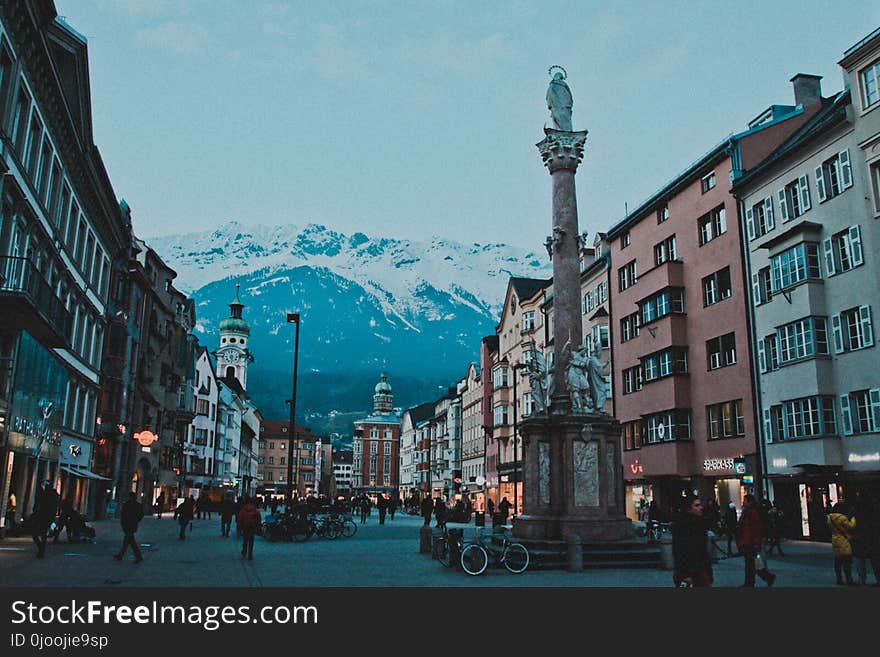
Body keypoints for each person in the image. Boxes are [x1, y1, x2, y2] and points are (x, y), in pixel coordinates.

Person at [672, 497, 713, 587]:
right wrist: (684, 573)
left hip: (700, 568)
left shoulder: (700, 523)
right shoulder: (682, 526)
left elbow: (702, 550)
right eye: (697, 505)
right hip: (689, 570)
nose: (701, 508)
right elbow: (678, 550)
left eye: (700, 505)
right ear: (689, 509)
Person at [736, 494, 776, 587]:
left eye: (745, 500)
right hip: (748, 541)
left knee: (751, 564)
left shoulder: (752, 512)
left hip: (750, 542)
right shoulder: (747, 511)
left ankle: (754, 581)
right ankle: (762, 578)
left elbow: (756, 528)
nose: (743, 502)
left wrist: (756, 543)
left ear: (749, 502)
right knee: (752, 564)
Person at [851, 494, 880, 586]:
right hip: (872, 538)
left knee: (862, 560)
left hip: (864, 538)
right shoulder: (873, 512)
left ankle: (862, 579)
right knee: (875, 560)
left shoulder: (858, 513)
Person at [827, 501, 856, 586]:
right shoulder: (842, 518)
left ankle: (839, 579)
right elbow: (851, 526)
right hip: (844, 540)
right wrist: (853, 518)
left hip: (835, 540)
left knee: (837, 562)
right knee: (847, 561)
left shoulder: (830, 518)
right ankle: (849, 579)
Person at [114, 492, 144, 563]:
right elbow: (140, 515)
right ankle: (121, 555)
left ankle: (138, 556)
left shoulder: (128, 505)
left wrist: (135, 520)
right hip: (130, 524)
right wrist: (136, 520)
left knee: (130, 541)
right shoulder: (135, 505)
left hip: (129, 525)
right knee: (128, 540)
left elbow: (123, 515)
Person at [31, 480, 58, 558]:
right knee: (41, 534)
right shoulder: (49, 495)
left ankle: (41, 550)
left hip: (44, 517)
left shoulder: (49, 495)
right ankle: (41, 549)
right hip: (44, 517)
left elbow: (41, 505)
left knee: (38, 534)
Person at [237, 496, 261, 561]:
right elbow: (259, 519)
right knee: (251, 540)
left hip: (245, 526)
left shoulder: (243, 510)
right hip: (252, 527)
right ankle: (250, 554)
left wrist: (239, 526)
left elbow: (240, 518)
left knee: (245, 540)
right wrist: (258, 526)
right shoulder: (255, 510)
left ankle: (244, 552)